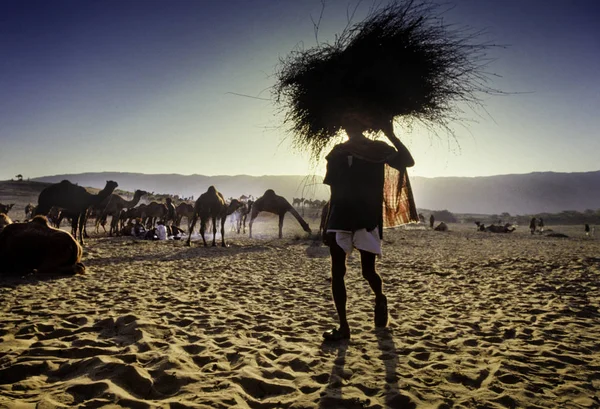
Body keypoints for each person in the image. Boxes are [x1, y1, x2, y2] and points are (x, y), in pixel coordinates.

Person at [321, 115, 415, 341]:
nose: (349, 128)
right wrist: (327, 224)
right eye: (347, 124)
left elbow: (408, 161)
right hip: (342, 218)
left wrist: (390, 134)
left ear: (363, 127)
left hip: (364, 218)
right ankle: (344, 327)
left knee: (367, 271)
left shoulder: (378, 149)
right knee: (337, 273)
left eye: (353, 123)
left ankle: (379, 298)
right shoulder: (338, 153)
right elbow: (333, 191)